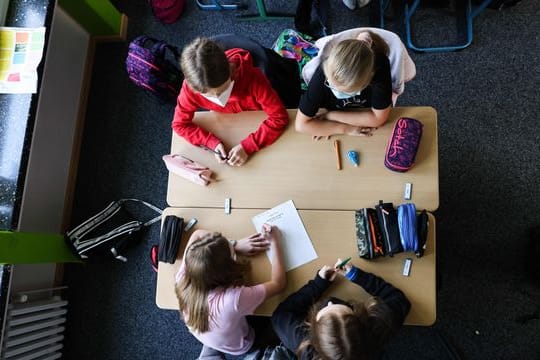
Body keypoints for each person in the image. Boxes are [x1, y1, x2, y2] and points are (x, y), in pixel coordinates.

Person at [172, 37, 290, 167]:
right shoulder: (189, 90)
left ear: (231, 70)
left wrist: (248, 146)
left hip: (256, 116)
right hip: (231, 124)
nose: (218, 99)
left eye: (223, 90)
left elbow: (279, 117)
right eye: (208, 96)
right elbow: (179, 125)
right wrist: (211, 142)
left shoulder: (254, 80)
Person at [175, 224, 286, 359]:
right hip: (243, 344)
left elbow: (197, 234)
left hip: (209, 331)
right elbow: (278, 284)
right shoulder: (232, 300)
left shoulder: (185, 275)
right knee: (281, 316)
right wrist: (275, 242)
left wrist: (236, 245)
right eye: (232, 253)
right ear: (228, 269)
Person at [271, 259, 410, 359]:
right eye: (343, 308)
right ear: (361, 318)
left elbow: (280, 315)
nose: (330, 303)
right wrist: (357, 276)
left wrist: (318, 285)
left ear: (313, 333)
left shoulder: (305, 346)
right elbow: (399, 300)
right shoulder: (375, 330)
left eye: (326, 310)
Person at [295, 31, 393, 139]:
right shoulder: (324, 73)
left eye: (343, 90)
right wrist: (345, 129)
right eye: (329, 83)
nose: (331, 87)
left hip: (360, 109)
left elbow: (378, 119)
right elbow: (301, 125)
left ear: (366, 82)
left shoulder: (379, 69)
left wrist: (330, 117)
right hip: (353, 113)